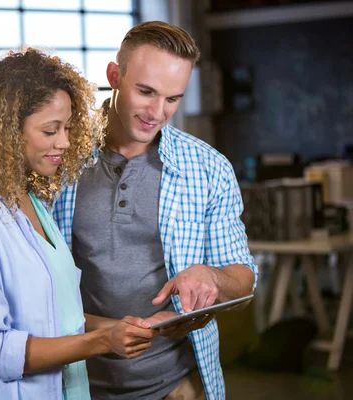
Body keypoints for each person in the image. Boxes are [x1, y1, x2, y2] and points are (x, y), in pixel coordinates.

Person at [0, 48, 165, 399]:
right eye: (50, 130)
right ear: (5, 132)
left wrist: (124, 328)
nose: (65, 142)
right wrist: (102, 341)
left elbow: (59, 314)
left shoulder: (33, 202)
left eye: (67, 128)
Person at [53, 21, 258, 400]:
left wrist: (211, 277)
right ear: (115, 76)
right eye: (145, 92)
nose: (157, 112)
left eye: (172, 99)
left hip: (175, 386)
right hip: (74, 385)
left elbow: (243, 280)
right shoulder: (58, 158)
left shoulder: (208, 168)